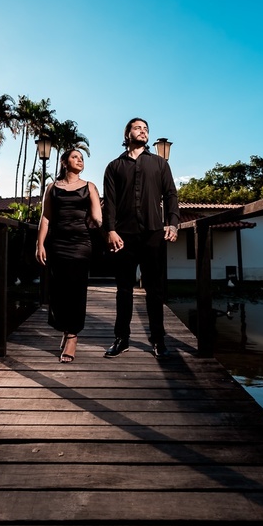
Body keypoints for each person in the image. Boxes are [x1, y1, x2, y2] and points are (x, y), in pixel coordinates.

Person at [101, 117, 179, 357]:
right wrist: (110, 230)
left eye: (146, 129)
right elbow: (110, 203)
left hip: (153, 232)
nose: (143, 131)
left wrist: (173, 224)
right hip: (123, 235)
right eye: (138, 128)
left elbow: (171, 195)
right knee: (124, 289)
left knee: (154, 289)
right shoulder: (114, 167)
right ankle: (121, 339)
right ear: (128, 134)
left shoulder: (160, 164)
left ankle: (158, 340)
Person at [35, 148, 102, 362]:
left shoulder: (89, 187)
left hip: (82, 243)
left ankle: (73, 336)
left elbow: (96, 218)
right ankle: (65, 329)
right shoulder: (52, 188)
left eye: (82, 158)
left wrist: (100, 220)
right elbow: (45, 218)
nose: (80, 160)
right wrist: (40, 244)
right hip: (58, 243)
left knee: (76, 288)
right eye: (75, 157)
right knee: (59, 289)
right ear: (64, 162)